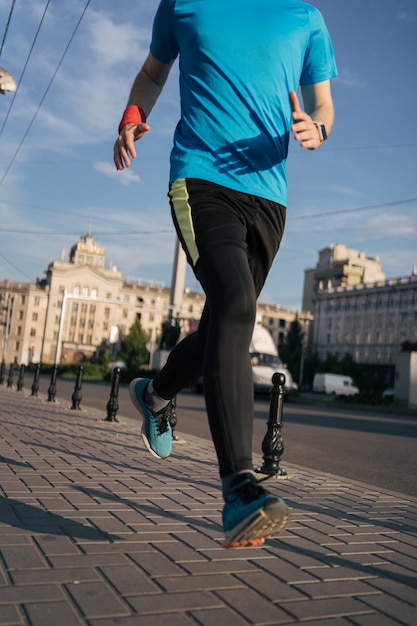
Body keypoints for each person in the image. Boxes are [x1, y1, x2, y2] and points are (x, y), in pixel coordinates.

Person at [114, 0, 337, 548]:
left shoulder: (304, 18)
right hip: (200, 178)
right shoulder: (184, 4)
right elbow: (151, 71)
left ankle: (155, 394)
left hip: (269, 199)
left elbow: (324, 103)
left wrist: (318, 129)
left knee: (223, 325)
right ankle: (239, 487)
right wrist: (131, 117)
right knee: (238, 304)